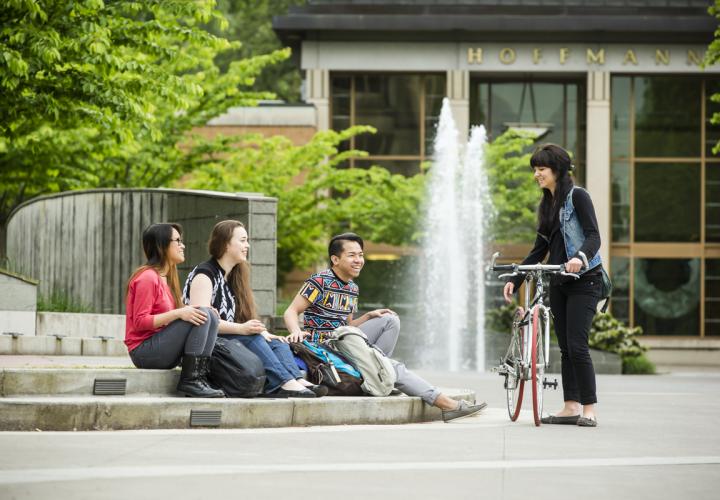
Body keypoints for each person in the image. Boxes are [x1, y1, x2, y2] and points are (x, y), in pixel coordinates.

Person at [284, 232, 486, 422]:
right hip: (325, 346)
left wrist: (369, 316)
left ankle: (379, 368)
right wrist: (295, 331)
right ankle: (446, 404)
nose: (358, 260)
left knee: (390, 319)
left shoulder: (352, 288)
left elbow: (348, 325)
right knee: (393, 367)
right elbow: (291, 311)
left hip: (346, 340)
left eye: (361, 255)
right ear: (335, 259)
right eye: (352, 255)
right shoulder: (319, 281)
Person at [503, 144, 603, 427]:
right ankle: (570, 406)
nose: (536, 175)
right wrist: (516, 277)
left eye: (541, 169)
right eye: (535, 170)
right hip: (559, 281)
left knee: (578, 345)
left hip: (585, 280)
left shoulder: (578, 197)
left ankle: (589, 409)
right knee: (566, 349)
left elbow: (594, 237)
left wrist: (579, 258)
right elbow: (540, 249)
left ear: (557, 170)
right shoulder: (546, 204)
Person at [183, 219, 326, 398]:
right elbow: (202, 321)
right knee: (253, 338)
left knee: (277, 342)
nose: (247, 245)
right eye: (242, 240)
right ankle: (284, 383)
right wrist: (243, 329)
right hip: (208, 345)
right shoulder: (205, 274)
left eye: (247, 240)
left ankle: (297, 380)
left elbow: (237, 322)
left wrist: (261, 332)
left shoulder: (233, 276)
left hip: (230, 338)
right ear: (226, 244)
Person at [125, 223, 224, 398]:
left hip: (161, 347)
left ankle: (199, 376)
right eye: (177, 241)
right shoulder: (147, 278)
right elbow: (140, 323)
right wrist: (179, 313)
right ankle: (190, 380)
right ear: (161, 245)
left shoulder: (168, 278)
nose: (182, 245)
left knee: (210, 314)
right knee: (202, 314)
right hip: (144, 352)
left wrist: (188, 310)